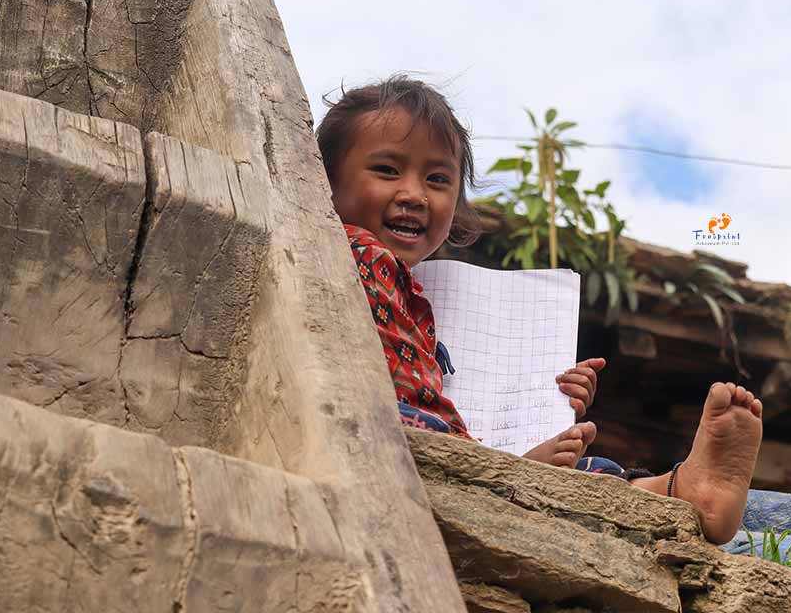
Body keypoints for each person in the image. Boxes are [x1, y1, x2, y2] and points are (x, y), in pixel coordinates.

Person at [316, 74, 763, 543]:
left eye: (437, 179)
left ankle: (673, 489)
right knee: (424, 430)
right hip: (394, 437)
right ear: (323, 179)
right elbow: (415, 403)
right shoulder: (359, 253)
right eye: (387, 170)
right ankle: (647, 490)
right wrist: (508, 464)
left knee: (584, 470)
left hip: (458, 444)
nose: (414, 194)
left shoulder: (419, 292)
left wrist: (545, 401)